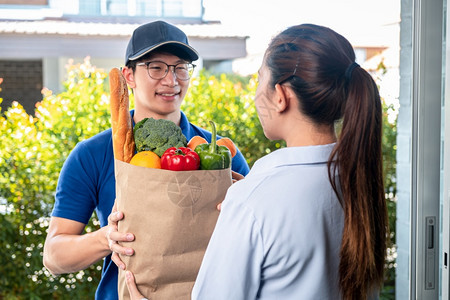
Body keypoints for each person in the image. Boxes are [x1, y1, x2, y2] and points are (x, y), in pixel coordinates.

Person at [124, 23, 388, 300]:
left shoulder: (251, 200)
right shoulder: (360, 181)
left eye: (259, 80)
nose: (254, 95)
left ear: (281, 96)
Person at [42, 20, 250, 300]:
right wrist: (106, 238)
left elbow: (255, 242)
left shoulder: (219, 153)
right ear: (128, 76)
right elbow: (54, 256)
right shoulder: (92, 154)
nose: (171, 80)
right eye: (156, 67)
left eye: (180, 68)